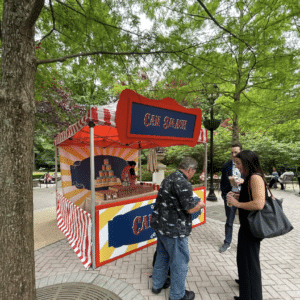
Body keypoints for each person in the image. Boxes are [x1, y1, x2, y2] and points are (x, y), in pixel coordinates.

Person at [150, 157, 205, 300]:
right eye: (193, 171)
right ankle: (177, 295)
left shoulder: (168, 179)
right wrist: (200, 205)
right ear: (189, 170)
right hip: (174, 230)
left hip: (161, 226)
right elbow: (190, 209)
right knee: (179, 262)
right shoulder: (183, 183)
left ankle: (157, 285)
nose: (193, 174)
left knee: (162, 256)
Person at [227, 150, 266, 300]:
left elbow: (259, 203)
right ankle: (246, 296)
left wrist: (237, 203)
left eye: (238, 163)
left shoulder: (255, 177)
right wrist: (238, 196)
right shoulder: (249, 177)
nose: (237, 166)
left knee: (250, 265)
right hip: (247, 227)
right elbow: (251, 196)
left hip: (252, 229)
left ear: (247, 162)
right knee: (244, 262)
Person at [219, 142, 244, 253]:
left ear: (241, 152)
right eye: (232, 152)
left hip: (244, 197)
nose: (234, 154)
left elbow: (254, 179)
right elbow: (223, 183)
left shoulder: (247, 165)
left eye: (236, 152)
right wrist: (224, 196)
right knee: (229, 221)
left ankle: (243, 244)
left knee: (244, 222)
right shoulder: (226, 166)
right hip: (230, 197)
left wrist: (244, 181)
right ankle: (227, 243)